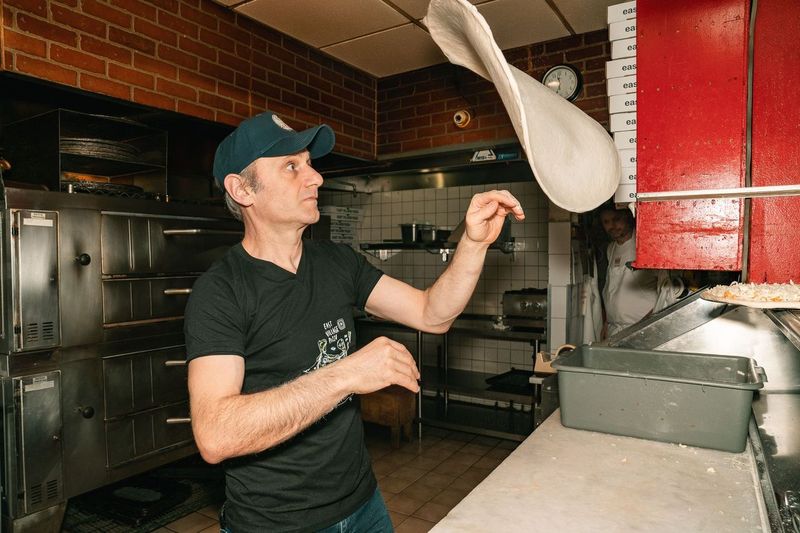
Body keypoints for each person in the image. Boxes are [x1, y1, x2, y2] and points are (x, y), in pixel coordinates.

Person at [184, 111, 525, 532]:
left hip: (364, 506)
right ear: (242, 189)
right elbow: (217, 436)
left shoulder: (337, 262)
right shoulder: (220, 292)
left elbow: (430, 314)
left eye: (309, 163)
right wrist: (346, 374)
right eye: (291, 166)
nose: (315, 178)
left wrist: (474, 244)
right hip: (276, 524)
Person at [599, 205, 683, 338]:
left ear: (627, 217)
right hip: (614, 330)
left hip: (641, 330)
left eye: (616, 219)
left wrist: (647, 324)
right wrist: (605, 324)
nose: (612, 226)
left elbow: (665, 291)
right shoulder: (611, 249)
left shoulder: (646, 246)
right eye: (606, 222)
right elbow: (612, 291)